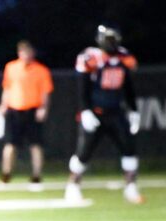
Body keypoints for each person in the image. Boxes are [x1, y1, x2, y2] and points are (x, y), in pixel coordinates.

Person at [65, 25, 143, 205]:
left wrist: (134, 110)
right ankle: (72, 186)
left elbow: (128, 87)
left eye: (113, 40)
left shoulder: (124, 57)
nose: (111, 43)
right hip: (96, 113)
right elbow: (83, 86)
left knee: (129, 148)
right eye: (108, 40)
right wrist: (85, 110)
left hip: (116, 111)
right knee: (84, 152)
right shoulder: (91, 57)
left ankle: (131, 187)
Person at [0, 40, 53, 184]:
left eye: (28, 52)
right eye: (22, 52)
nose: (25, 55)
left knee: (35, 144)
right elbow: (7, 88)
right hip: (14, 110)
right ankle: (6, 173)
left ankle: (36, 175)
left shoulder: (41, 70)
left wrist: (43, 108)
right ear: (19, 53)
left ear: (32, 53)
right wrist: (3, 105)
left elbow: (45, 92)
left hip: (33, 110)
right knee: (10, 144)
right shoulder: (11, 67)